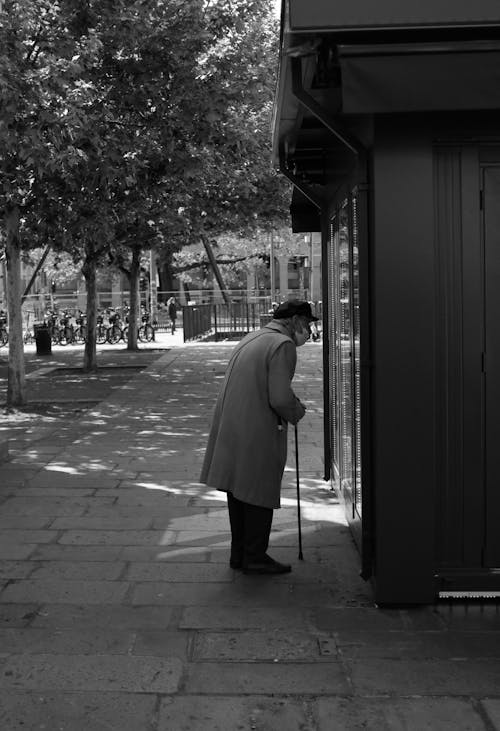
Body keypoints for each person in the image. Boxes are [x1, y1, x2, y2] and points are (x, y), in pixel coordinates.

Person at [200, 300, 318, 575]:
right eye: (308, 323)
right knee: (258, 490)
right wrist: (296, 410)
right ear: (295, 320)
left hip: (234, 424)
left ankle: (239, 553)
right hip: (256, 427)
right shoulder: (282, 345)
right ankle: (254, 555)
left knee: (239, 490)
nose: (309, 330)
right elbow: (279, 397)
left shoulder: (254, 336)